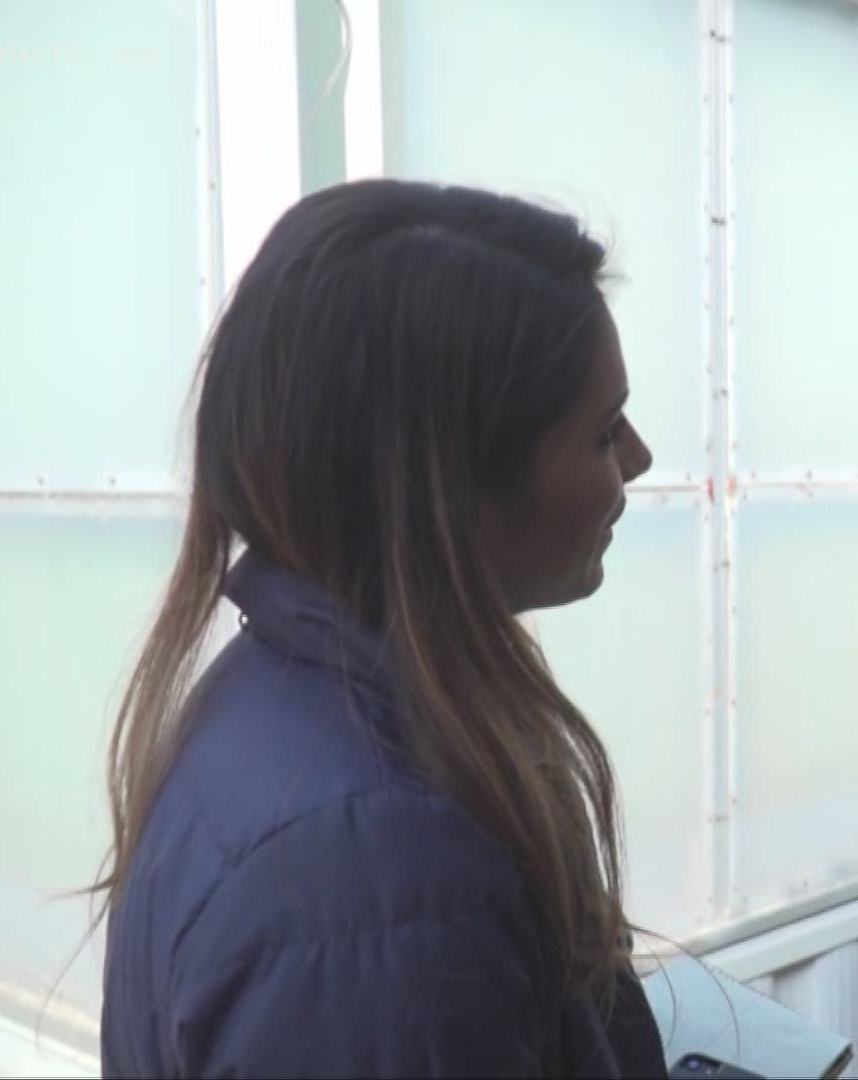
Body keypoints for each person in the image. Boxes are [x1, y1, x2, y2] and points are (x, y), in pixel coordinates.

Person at [92, 178, 663, 1077]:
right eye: (603, 433)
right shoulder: (376, 879)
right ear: (447, 487)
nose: (639, 458)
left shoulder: (285, 699)